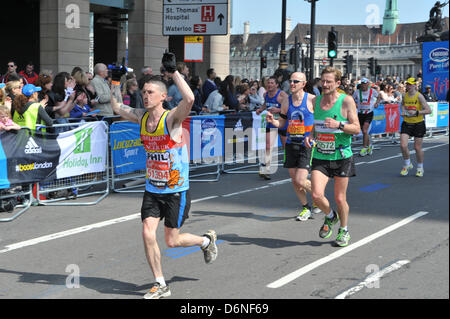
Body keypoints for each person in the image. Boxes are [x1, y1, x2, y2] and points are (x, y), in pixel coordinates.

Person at [110, 52, 218, 299]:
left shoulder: (172, 119)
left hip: (175, 190)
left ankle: (205, 241)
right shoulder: (141, 116)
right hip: (153, 189)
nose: (145, 96)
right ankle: (160, 283)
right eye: (143, 92)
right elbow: (116, 106)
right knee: (147, 232)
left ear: (163, 97)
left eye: (150, 92)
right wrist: (115, 81)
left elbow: (189, 98)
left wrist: (174, 72)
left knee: (172, 240)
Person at [305, 67, 360, 247]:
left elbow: (356, 128)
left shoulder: (346, 101)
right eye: (323, 81)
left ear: (338, 83)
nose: (325, 85)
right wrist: (312, 135)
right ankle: (331, 216)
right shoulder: (317, 100)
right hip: (321, 154)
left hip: (342, 156)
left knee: (339, 198)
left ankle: (344, 230)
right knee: (316, 194)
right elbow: (317, 124)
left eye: (329, 82)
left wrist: (339, 125)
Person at [266, 72, 321, 221]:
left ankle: (319, 197)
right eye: (290, 81)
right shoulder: (286, 101)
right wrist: (273, 121)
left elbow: (319, 121)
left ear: (303, 84)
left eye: (296, 81)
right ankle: (306, 207)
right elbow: (282, 123)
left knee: (301, 180)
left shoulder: (312, 100)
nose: (292, 84)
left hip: (306, 144)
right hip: (291, 144)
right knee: (294, 180)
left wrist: (312, 135)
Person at [256, 76, 289, 180]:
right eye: (268, 83)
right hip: (271, 123)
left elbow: (290, 107)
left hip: (282, 122)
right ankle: (266, 168)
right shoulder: (266, 94)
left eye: (272, 83)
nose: (269, 85)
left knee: (286, 147)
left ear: (276, 85)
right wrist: (261, 109)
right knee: (268, 146)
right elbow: (266, 104)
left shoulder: (282, 95)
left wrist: (279, 110)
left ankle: (295, 166)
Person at [399, 78, 431, 177]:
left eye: (410, 85)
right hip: (407, 123)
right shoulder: (404, 95)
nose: (408, 86)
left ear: (414, 86)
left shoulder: (419, 96)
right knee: (403, 145)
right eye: (407, 84)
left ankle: (420, 167)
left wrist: (417, 112)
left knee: (417, 148)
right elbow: (402, 105)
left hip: (418, 124)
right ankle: (407, 164)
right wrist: (403, 111)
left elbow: (429, 110)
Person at [352, 78, 381, 156]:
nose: (363, 85)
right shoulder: (357, 92)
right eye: (362, 83)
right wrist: (355, 104)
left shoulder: (372, 91)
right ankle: (370, 146)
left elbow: (379, 96)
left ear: (368, 84)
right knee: (363, 131)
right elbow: (352, 99)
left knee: (365, 131)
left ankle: (364, 148)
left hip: (369, 112)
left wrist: (376, 103)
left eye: (365, 84)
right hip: (360, 113)